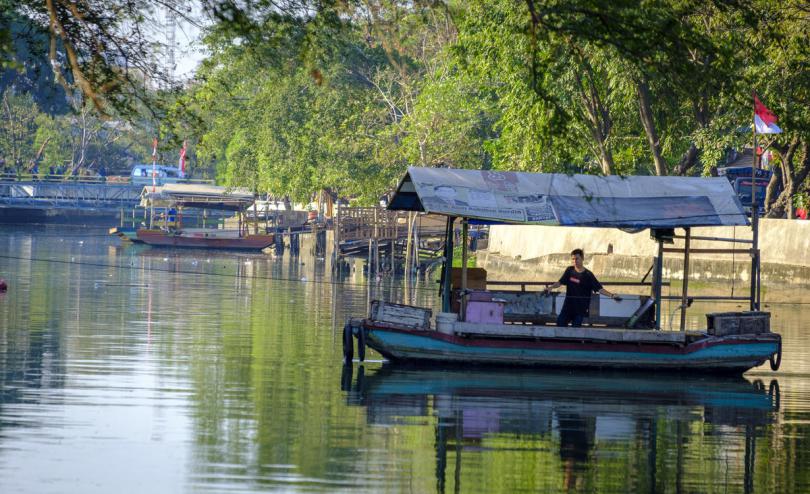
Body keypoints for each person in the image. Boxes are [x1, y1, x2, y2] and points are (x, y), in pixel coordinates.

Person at [544, 248, 621, 327]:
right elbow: (560, 282)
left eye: (577, 259)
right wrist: (551, 287)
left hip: (580, 310)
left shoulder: (588, 275)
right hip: (567, 307)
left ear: (582, 258)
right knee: (560, 324)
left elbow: (599, 289)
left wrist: (612, 295)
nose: (575, 261)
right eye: (573, 259)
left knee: (575, 330)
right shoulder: (569, 270)